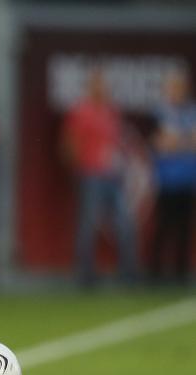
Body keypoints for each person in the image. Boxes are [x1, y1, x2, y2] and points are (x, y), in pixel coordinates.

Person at [62, 70, 137, 285]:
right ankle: (85, 274)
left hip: (112, 174)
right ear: (90, 87)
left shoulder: (111, 110)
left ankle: (128, 272)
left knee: (125, 223)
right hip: (90, 173)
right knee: (87, 224)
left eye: (104, 86)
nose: (102, 90)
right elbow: (70, 143)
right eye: (97, 85)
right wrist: (78, 169)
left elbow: (117, 142)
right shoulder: (80, 111)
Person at [149, 71, 196, 284]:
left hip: (188, 179)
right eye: (172, 88)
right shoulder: (160, 113)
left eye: (179, 88)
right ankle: (155, 272)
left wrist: (176, 141)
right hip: (166, 179)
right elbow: (162, 144)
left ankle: (180, 272)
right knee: (163, 226)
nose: (176, 92)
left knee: (185, 228)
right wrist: (184, 141)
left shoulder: (192, 112)